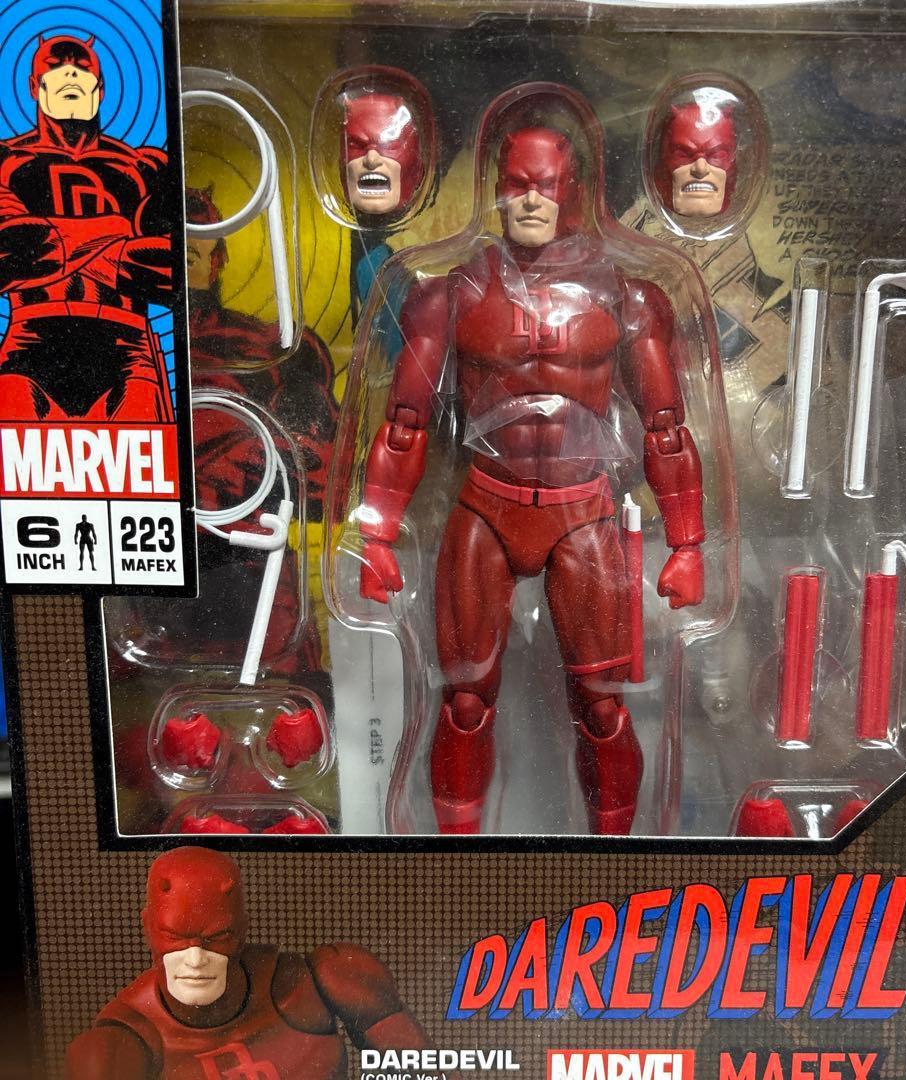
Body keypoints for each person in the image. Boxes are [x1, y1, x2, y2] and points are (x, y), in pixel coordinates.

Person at [357, 123, 708, 835]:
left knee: (602, 707)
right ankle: (455, 858)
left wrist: (688, 542)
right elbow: (404, 423)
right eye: (517, 185)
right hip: (487, 505)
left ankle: (614, 861)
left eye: (544, 186)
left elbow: (666, 427)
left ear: (573, 190)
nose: (529, 200)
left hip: (584, 512)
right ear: (496, 189)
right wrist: (377, 534)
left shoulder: (628, 299)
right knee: (464, 702)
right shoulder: (451, 295)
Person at [66, 847, 431, 1077]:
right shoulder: (124, 1040)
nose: (195, 959)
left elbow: (424, 1072)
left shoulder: (314, 982)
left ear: (241, 931)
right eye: (175, 938)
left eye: (216, 938)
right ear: (149, 928)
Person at [0, 34, 173, 421]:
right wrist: (117, 232)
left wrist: (53, 243)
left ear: (101, 88)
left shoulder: (146, 166)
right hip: (29, 342)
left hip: (128, 346)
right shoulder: (6, 160)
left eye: (81, 67)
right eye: (55, 66)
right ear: (34, 86)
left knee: (146, 452)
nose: (70, 73)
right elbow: (12, 252)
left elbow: (173, 268)